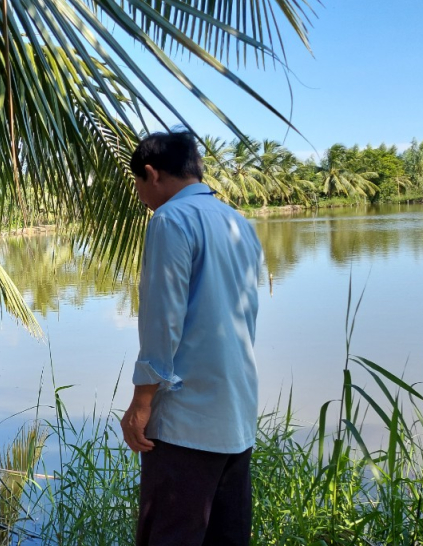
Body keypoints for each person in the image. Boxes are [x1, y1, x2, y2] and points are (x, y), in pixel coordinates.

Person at [119, 132, 264, 546]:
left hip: (187, 424)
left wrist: (141, 403)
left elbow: (163, 323)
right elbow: (246, 316)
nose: (140, 195)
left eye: (138, 184)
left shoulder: (170, 220)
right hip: (235, 414)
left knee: (169, 535)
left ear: (151, 174)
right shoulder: (240, 223)